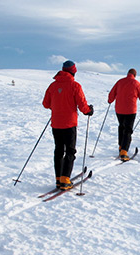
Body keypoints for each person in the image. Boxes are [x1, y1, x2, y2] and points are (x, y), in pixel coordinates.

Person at [42, 60, 93, 190]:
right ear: (73, 72)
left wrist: (57, 106)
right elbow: (82, 105)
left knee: (58, 150)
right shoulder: (75, 85)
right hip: (69, 124)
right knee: (70, 151)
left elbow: (46, 104)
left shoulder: (53, 86)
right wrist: (89, 110)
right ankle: (65, 179)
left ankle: (59, 179)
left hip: (56, 123)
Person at [107, 68, 140, 161]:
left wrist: (110, 100)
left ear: (128, 74)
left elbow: (112, 93)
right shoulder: (137, 84)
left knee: (121, 127)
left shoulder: (120, 82)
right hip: (130, 110)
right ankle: (124, 151)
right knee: (128, 130)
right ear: (135, 75)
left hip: (119, 109)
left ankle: (120, 146)